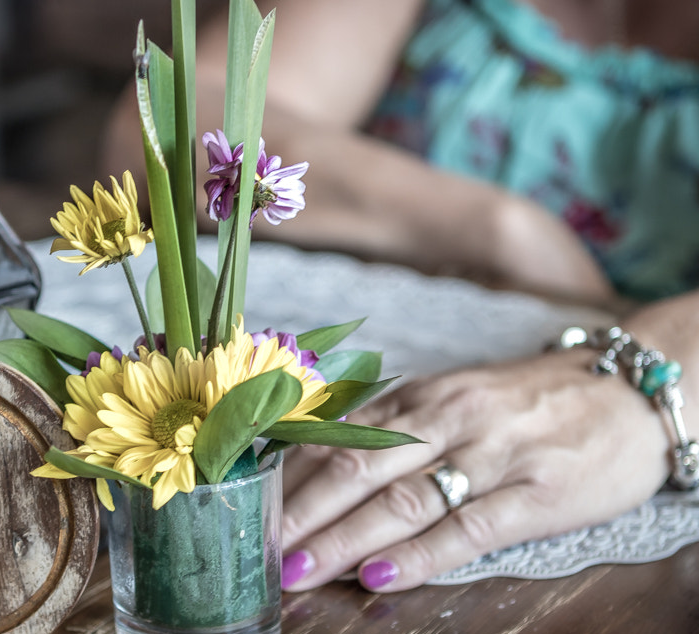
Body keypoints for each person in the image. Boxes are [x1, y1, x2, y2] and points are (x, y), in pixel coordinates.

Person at [103, 0, 699, 592]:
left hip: (624, 447)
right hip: (349, 376)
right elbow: (159, 130)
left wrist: (651, 383)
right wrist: (496, 228)